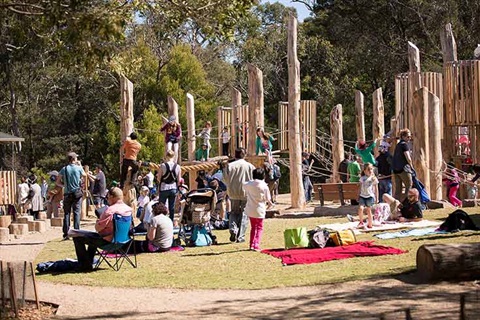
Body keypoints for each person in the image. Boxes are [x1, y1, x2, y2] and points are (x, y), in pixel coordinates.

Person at [72, 187, 133, 272]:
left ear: (111, 197)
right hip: (124, 241)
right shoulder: (128, 209)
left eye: (107, 197)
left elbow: (97, 228)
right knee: (92, 238)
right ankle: (88, 262)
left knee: (77, 237)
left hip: (109, 242)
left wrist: (98, 222)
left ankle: (85, 265)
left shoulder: (110, 211)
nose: (107, 199)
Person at [222, 148, 255, 243]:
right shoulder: (250, 166)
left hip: (233, 192)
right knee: (244, 214)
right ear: (244, 155)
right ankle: (241, 236)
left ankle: (233, 229)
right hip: (246, 193)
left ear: (235, 155)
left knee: (233, 212)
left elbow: (224, 179)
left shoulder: (229, 166)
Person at [57, 152, 87, 240]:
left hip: (67, 193)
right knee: (76, 212)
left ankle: (66, 233)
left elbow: (57, 182)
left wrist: (64, 185)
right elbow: (85, 175)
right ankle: (76, 232)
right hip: (77, 193)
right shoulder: (78, 168)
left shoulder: (64, 169)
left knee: (67, 213)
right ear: (74, 159)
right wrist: (80, 165)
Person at [243, 168, 272, 251]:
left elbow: (244, 185)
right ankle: (256, 244)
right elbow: (268, 198)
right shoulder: (264, 186)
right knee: (259, 227)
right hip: (260, 209)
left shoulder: (248, 184)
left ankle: (251, 244)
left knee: (253, 227)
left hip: (251, 208)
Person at [157, 150, 181, 221]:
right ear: (173, 156)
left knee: (161, 206)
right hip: (173, 188)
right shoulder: (178, 166)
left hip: (164, 188)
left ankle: (161, 221)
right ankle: (171, 221)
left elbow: (158, 178)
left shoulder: (163, 165)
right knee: (172, 207)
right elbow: (179, 180)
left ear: (166, 156)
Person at [392, 128, 414, 201]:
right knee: (409, 186)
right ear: (403, 137)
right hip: (403, 169)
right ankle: (407, 203)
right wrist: (411, 167)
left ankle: (395, 205)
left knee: (398, 189)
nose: (409, 138)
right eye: (408, 137)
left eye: (410, 137)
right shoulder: (404, 145)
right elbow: (408, 157)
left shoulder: (398, 145)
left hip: (396, 170)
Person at [356, 163, 378, 229]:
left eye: (371, 169)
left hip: (370, 196)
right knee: (361, 208)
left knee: (369, 210)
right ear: (364, 171)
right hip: (362, 196)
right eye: (368, 169)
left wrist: (376, 198)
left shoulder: (373, 179)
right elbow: (359, 188)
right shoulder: (362, 178)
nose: (370, 171)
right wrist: (358, 195)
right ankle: (361, 221)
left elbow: (376, 189)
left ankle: (370, 223)